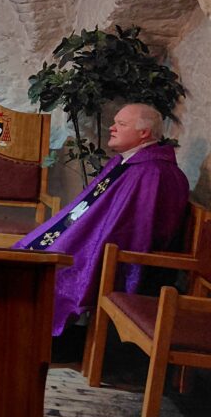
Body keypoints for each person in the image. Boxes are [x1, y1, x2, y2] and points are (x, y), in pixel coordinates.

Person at [15, 103, 190, 336]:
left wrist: (80, 250)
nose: (112, 128)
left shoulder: (153, 173)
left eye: (121, 124)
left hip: (111, 253)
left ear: (144, 133)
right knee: (25, 255)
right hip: (88, 241)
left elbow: (135, 233)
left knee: (50, 271)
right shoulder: (123, 163)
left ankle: (29, 334)